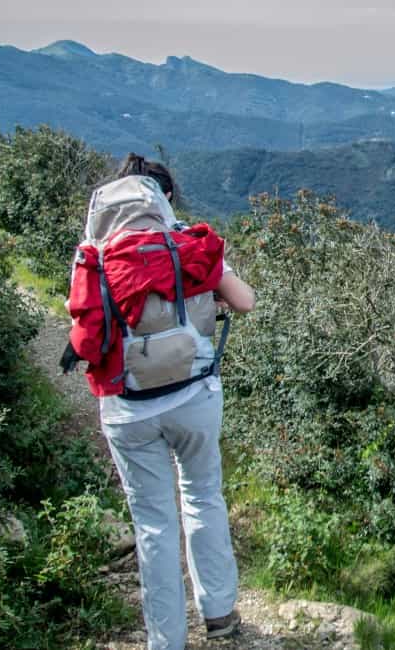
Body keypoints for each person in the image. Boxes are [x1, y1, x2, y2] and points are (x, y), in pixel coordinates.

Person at [95, 154, 254, 649]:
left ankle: (166, 641)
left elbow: (85, 327)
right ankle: (220, 614)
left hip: (127, 404)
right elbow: (246, 300)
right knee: (203, 494)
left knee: (153, 522)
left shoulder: (99, 251)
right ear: (166, 197)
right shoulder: (188, 243)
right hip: (193, 394)